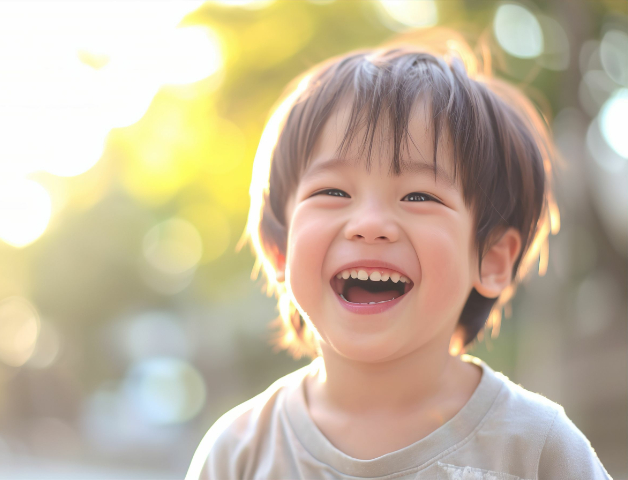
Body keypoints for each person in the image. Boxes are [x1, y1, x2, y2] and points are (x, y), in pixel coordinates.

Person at [185, 29, 612, 480]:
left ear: (491, 258)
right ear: (278, 249)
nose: (369, 224)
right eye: (332, 191)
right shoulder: (239, 452)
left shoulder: (534, 449)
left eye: (418, 196)